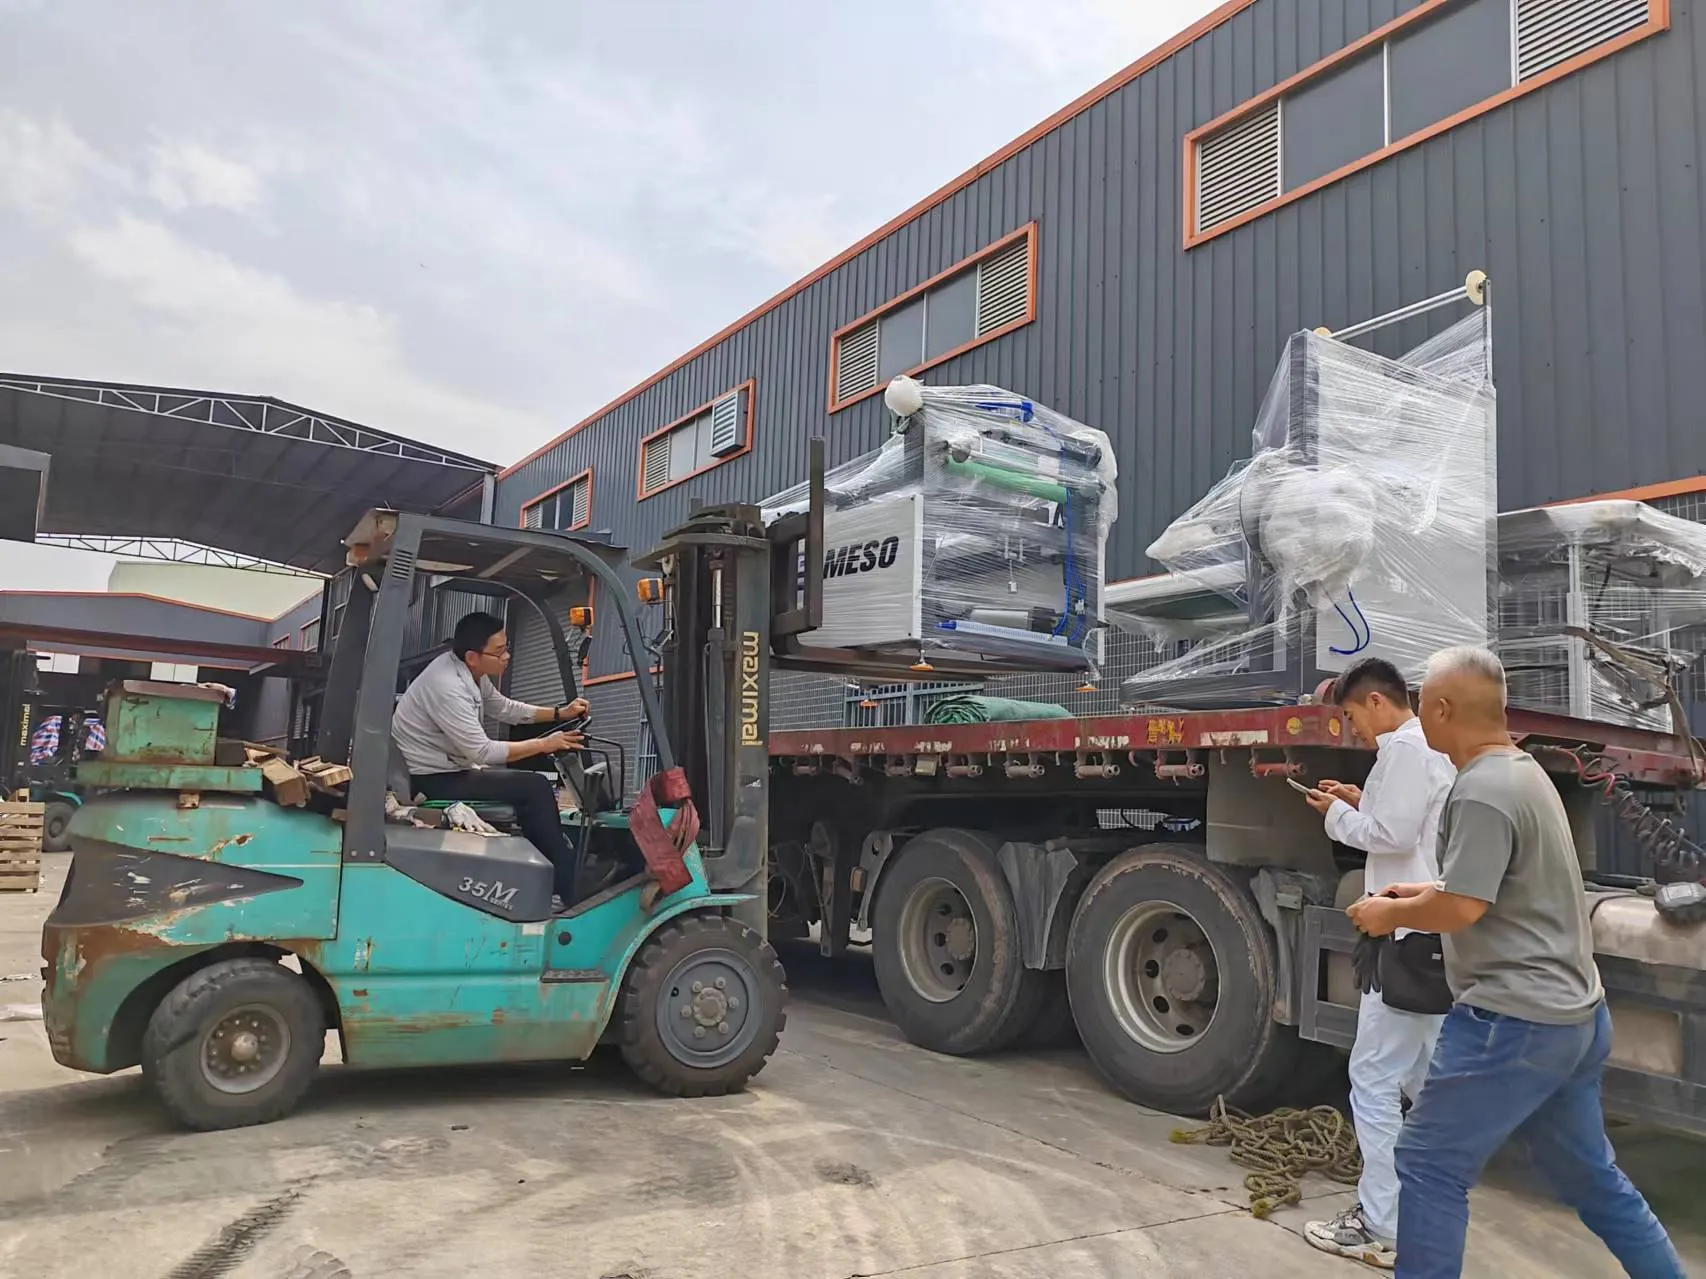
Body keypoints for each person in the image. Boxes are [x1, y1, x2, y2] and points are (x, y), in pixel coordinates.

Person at [1346, 645, 1684, 1279]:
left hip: (1513, 1022)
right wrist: (1412, 894)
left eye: (1424, 709)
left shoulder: (1480, 791)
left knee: (1427, 1163)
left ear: (1444, 710)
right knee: (1589, 1177)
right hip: (1575, 1018)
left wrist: (1390, 916)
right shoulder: (1522, 771)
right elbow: (1486, 890)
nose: (1420, 722)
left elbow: (1464, 909)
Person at [1302, 657, 1457, 1271]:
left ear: (1374, 703)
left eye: (1349, 716)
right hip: (1430, 935)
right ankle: (1426, 1211)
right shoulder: (1425, 751)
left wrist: (1336, 815)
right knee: (1424, 1083)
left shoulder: (1404, 750)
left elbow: (1390, 836)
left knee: (1372, 1080)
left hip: (1404, 936)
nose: (1351, 732)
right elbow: (1410, 827)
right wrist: (1359, 797)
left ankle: (1382, 1224)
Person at [392, 611, 590, 902]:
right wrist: (546, 744)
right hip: (432, 779)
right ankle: (567, 884)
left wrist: (561, 712)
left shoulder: (468, 671)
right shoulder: (448, 687)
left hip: (448, 768)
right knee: (534, 787)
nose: (507, 656)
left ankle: (547, 872)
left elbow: (504, 708)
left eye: (506, 647)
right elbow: (482, 751)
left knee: (528, 788)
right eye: (500, 651)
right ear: (473, 656)